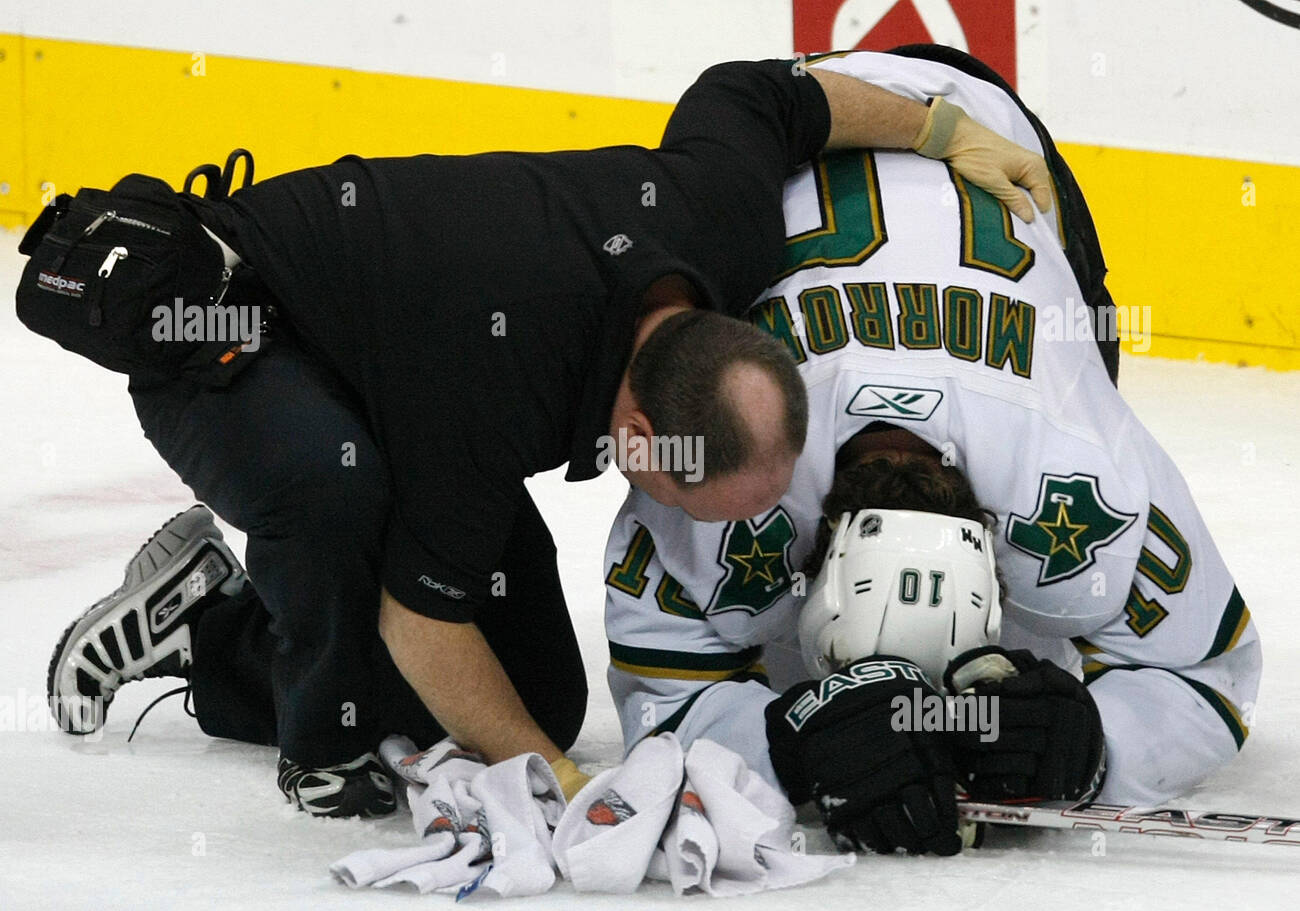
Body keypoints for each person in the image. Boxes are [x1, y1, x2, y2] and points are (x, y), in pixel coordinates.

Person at [45, 56, 1054, 818]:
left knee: (532, 702)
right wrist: (572, 791)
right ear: (633, 434)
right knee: (336, 493)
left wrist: (942, 128)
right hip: (232, 340)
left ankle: (211, 622)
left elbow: (757, 95)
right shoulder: (491, 389)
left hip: (395, 347)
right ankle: (319, 745)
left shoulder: (719, 223)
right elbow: (422, 620)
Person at [601, 46, 1261, 855]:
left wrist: (1085, 740)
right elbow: (1209, 674)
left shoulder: (1073, 447)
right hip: (815, 111)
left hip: (968, 128)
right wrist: (795, 741)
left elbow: (663, 691)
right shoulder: (1082, 471)